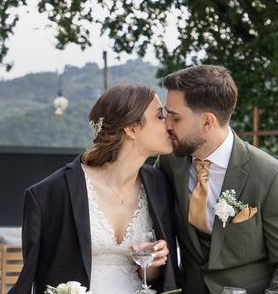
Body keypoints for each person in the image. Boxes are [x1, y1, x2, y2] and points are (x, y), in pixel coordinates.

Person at [10, 84, 179, 294]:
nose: (169, 125)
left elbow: (161, 279)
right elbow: (34, 277)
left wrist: (151, 265)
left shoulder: (160, 185)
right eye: (160, 117)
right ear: (132, 128)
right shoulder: (50, 194)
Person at [158, 65, 278, 294]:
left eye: (175, 117)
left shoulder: (270, 176)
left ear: (207, 122)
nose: (167, 124)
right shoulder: (169, 163)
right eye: (166, 114)